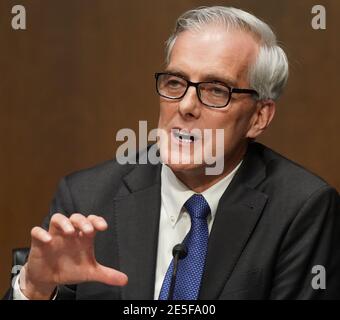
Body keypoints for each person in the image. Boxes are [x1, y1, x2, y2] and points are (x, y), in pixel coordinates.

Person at [6, 6, 340, 300]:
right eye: (175, 83)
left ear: (258, 117)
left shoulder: (301, 208)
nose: (186, 105)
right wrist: (34, 289)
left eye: (215, 90)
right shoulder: (86, 197)